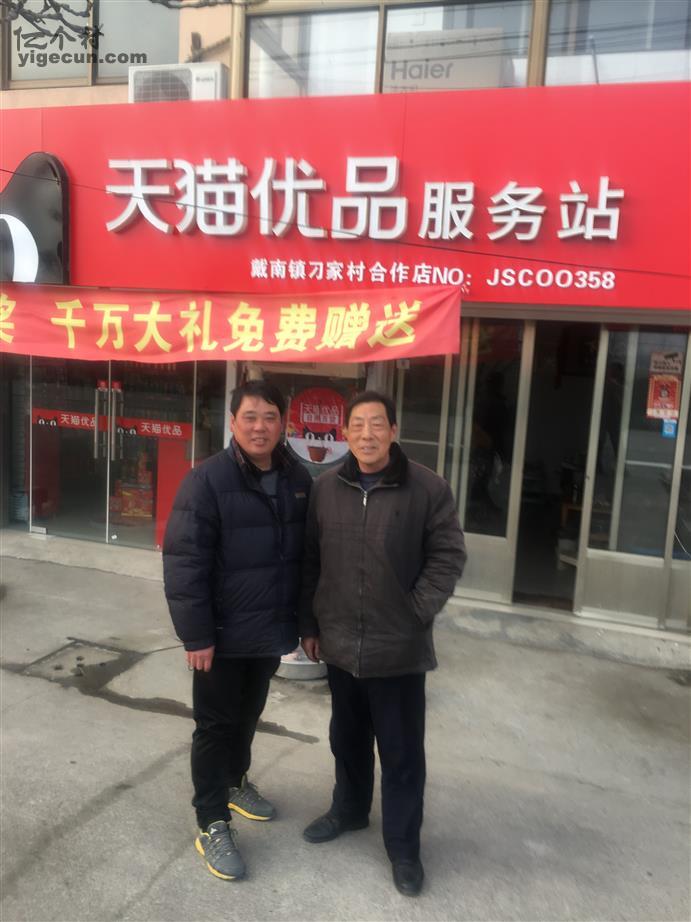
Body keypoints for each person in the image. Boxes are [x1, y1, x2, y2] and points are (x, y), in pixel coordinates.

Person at [299, 390, 466, 897]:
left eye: (377, 424)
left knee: (401, 754)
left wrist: (415, 612)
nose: (366, 434)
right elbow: (311, 560)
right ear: (344, 434)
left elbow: (448, 556)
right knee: (346, 740)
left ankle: (403, 848)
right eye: (357, 425)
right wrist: (311, 624)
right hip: (340, 643)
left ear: (394, 431)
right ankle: (349, 810)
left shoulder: (428, 489)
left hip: (398, 649)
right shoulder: (326, 488)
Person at [163, 380, 311, 881]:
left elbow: (305, 560)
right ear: (232, 422)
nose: (260, 426)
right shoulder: (206, 480)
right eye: (249, 416)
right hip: (220, 637)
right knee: (215, 726)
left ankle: (233, 782)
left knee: (248, 715)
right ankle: (211, 821)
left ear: (283, 423)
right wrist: (197, 635)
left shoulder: (296, 478)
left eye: (270, 416)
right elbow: (184, 562)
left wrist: (304, 625)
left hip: (267, 631)